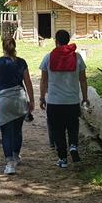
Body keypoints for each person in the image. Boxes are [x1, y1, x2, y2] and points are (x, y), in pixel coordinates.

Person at [39, 30, 89, 168]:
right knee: (73, 127)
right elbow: (83, 80)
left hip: (55, 102)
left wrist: (42, 98)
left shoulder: (48, 57)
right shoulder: (77, 57)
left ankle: (62, 159)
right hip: (72, 102)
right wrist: (85, 98)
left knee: (57, 130)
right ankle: (73, 146)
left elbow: (43, 81)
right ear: (68, 40)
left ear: (56, 41)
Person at [0, 37, 35, 175]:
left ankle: (9, 164)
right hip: (19, 98)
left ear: (3, 47)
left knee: (6, 132)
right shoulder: (21, 62)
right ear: (14, 47)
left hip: (3, 101)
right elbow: (28, 83)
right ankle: (16, 155)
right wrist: (31, 101)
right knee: (17, 130)